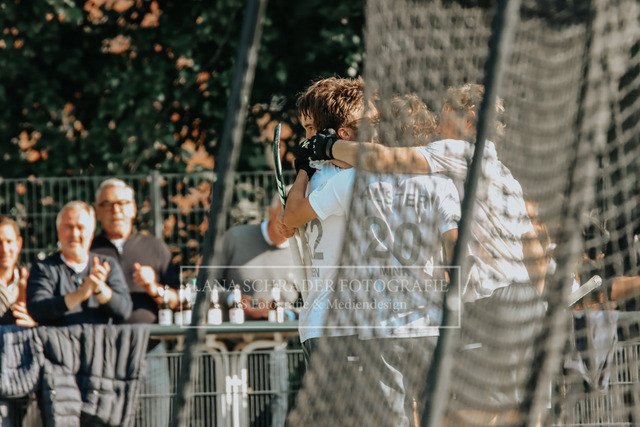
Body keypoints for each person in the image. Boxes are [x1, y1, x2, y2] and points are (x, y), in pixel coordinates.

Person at [308, 83, 546, 425]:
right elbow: (533, 247)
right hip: (522, 299)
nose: (437, 122)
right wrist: (538, 299)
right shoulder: (504, 172)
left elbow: (383, 159)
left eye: (446, 112)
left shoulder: (459, 150)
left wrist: (327, 145)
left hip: (493, 302)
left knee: (470, 414)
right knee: (508, 409)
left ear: (469, 121)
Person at [284, 93, 460, 426]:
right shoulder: (440, 181)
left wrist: (306, 167)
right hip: (427, 318)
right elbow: (457, 251)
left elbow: (289, 219)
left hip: (370, 322)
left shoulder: (350, 180)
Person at [90, 178, 180, 427]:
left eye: (122, 203)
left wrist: (154, 288)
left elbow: (177, 301)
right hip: (103, 356)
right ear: (97, 211)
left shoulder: (155, 247)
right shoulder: (88, 250)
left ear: (133, 208)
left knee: (155, 421)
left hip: (150, 352)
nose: (115, 210)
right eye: (107, 204)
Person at [26, 201, 132, 326]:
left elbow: (124, 311)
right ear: (59, 231)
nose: (74, 234)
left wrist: (99, 288)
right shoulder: (43, 268)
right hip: (57, 339)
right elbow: (37, 309)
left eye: (80, 227)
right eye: (69, 227)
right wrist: (81, 294)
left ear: (91, 233)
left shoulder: (106, 265)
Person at [218, 191, 299, 320]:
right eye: (284, 214)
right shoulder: (235, 237)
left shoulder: (304, 252)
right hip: (234, 328)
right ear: (270, 212)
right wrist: (235, 300)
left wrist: (283, 313)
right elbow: (207, 282)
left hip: (283, 331)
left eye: (296, 215)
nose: (288, 221)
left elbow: (313, 302)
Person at [0, 216, 35, 326]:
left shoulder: (34, 280)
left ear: (18, 244)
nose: (4, 249)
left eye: (9, 241)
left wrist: (34, 325)